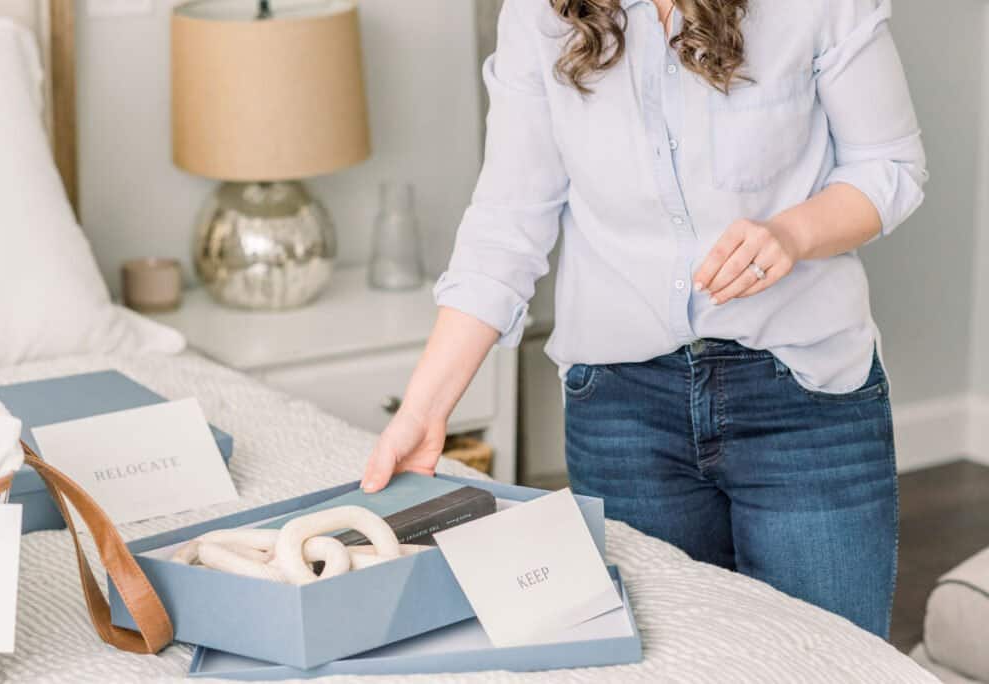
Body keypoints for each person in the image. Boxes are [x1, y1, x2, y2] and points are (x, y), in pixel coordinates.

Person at [361, 0, 926, 639]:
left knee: (830, 660)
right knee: (672, 658)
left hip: (804, 397)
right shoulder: (537, 15)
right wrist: (427, 408)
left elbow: (891, 166)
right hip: (623, 412)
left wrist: (791, 234)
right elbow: (507, 223)